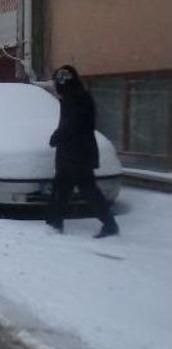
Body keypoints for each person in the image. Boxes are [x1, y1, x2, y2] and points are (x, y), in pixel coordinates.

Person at [47, 65, 119, 238]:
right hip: (74, 152)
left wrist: (57, 137)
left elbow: (72, 126)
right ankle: (54, 222)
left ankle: (109, 224)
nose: (57, 88)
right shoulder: (75, 97)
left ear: (64, 83)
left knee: (86, 190)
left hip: (77, 154)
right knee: (63, 188)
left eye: (58, 83)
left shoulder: (76, 99)